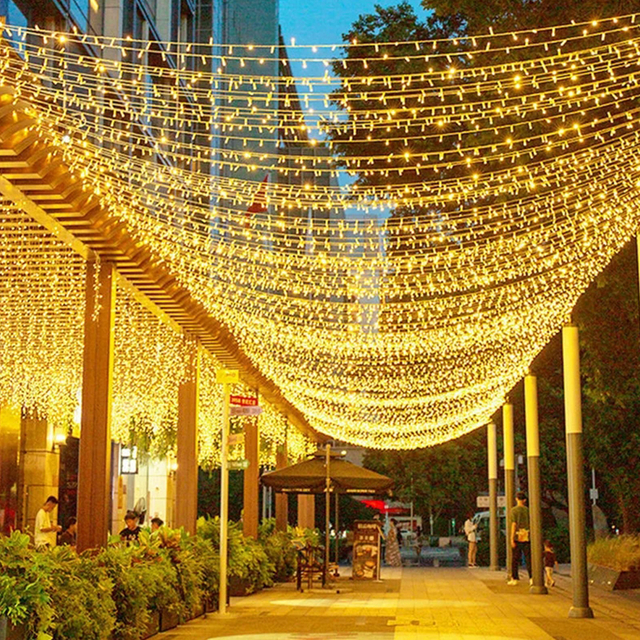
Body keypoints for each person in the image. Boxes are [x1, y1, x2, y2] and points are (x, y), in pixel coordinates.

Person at [508, 492, 532, 585]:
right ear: (525, 500)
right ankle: (532, 577)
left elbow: (514, 524)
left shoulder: (514, 510)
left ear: (516, 499)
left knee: (515, 559)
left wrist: (511, 538)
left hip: (517, 536)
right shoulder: (528, 510)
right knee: (528, 558)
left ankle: (515, 578)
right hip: (527, 536)